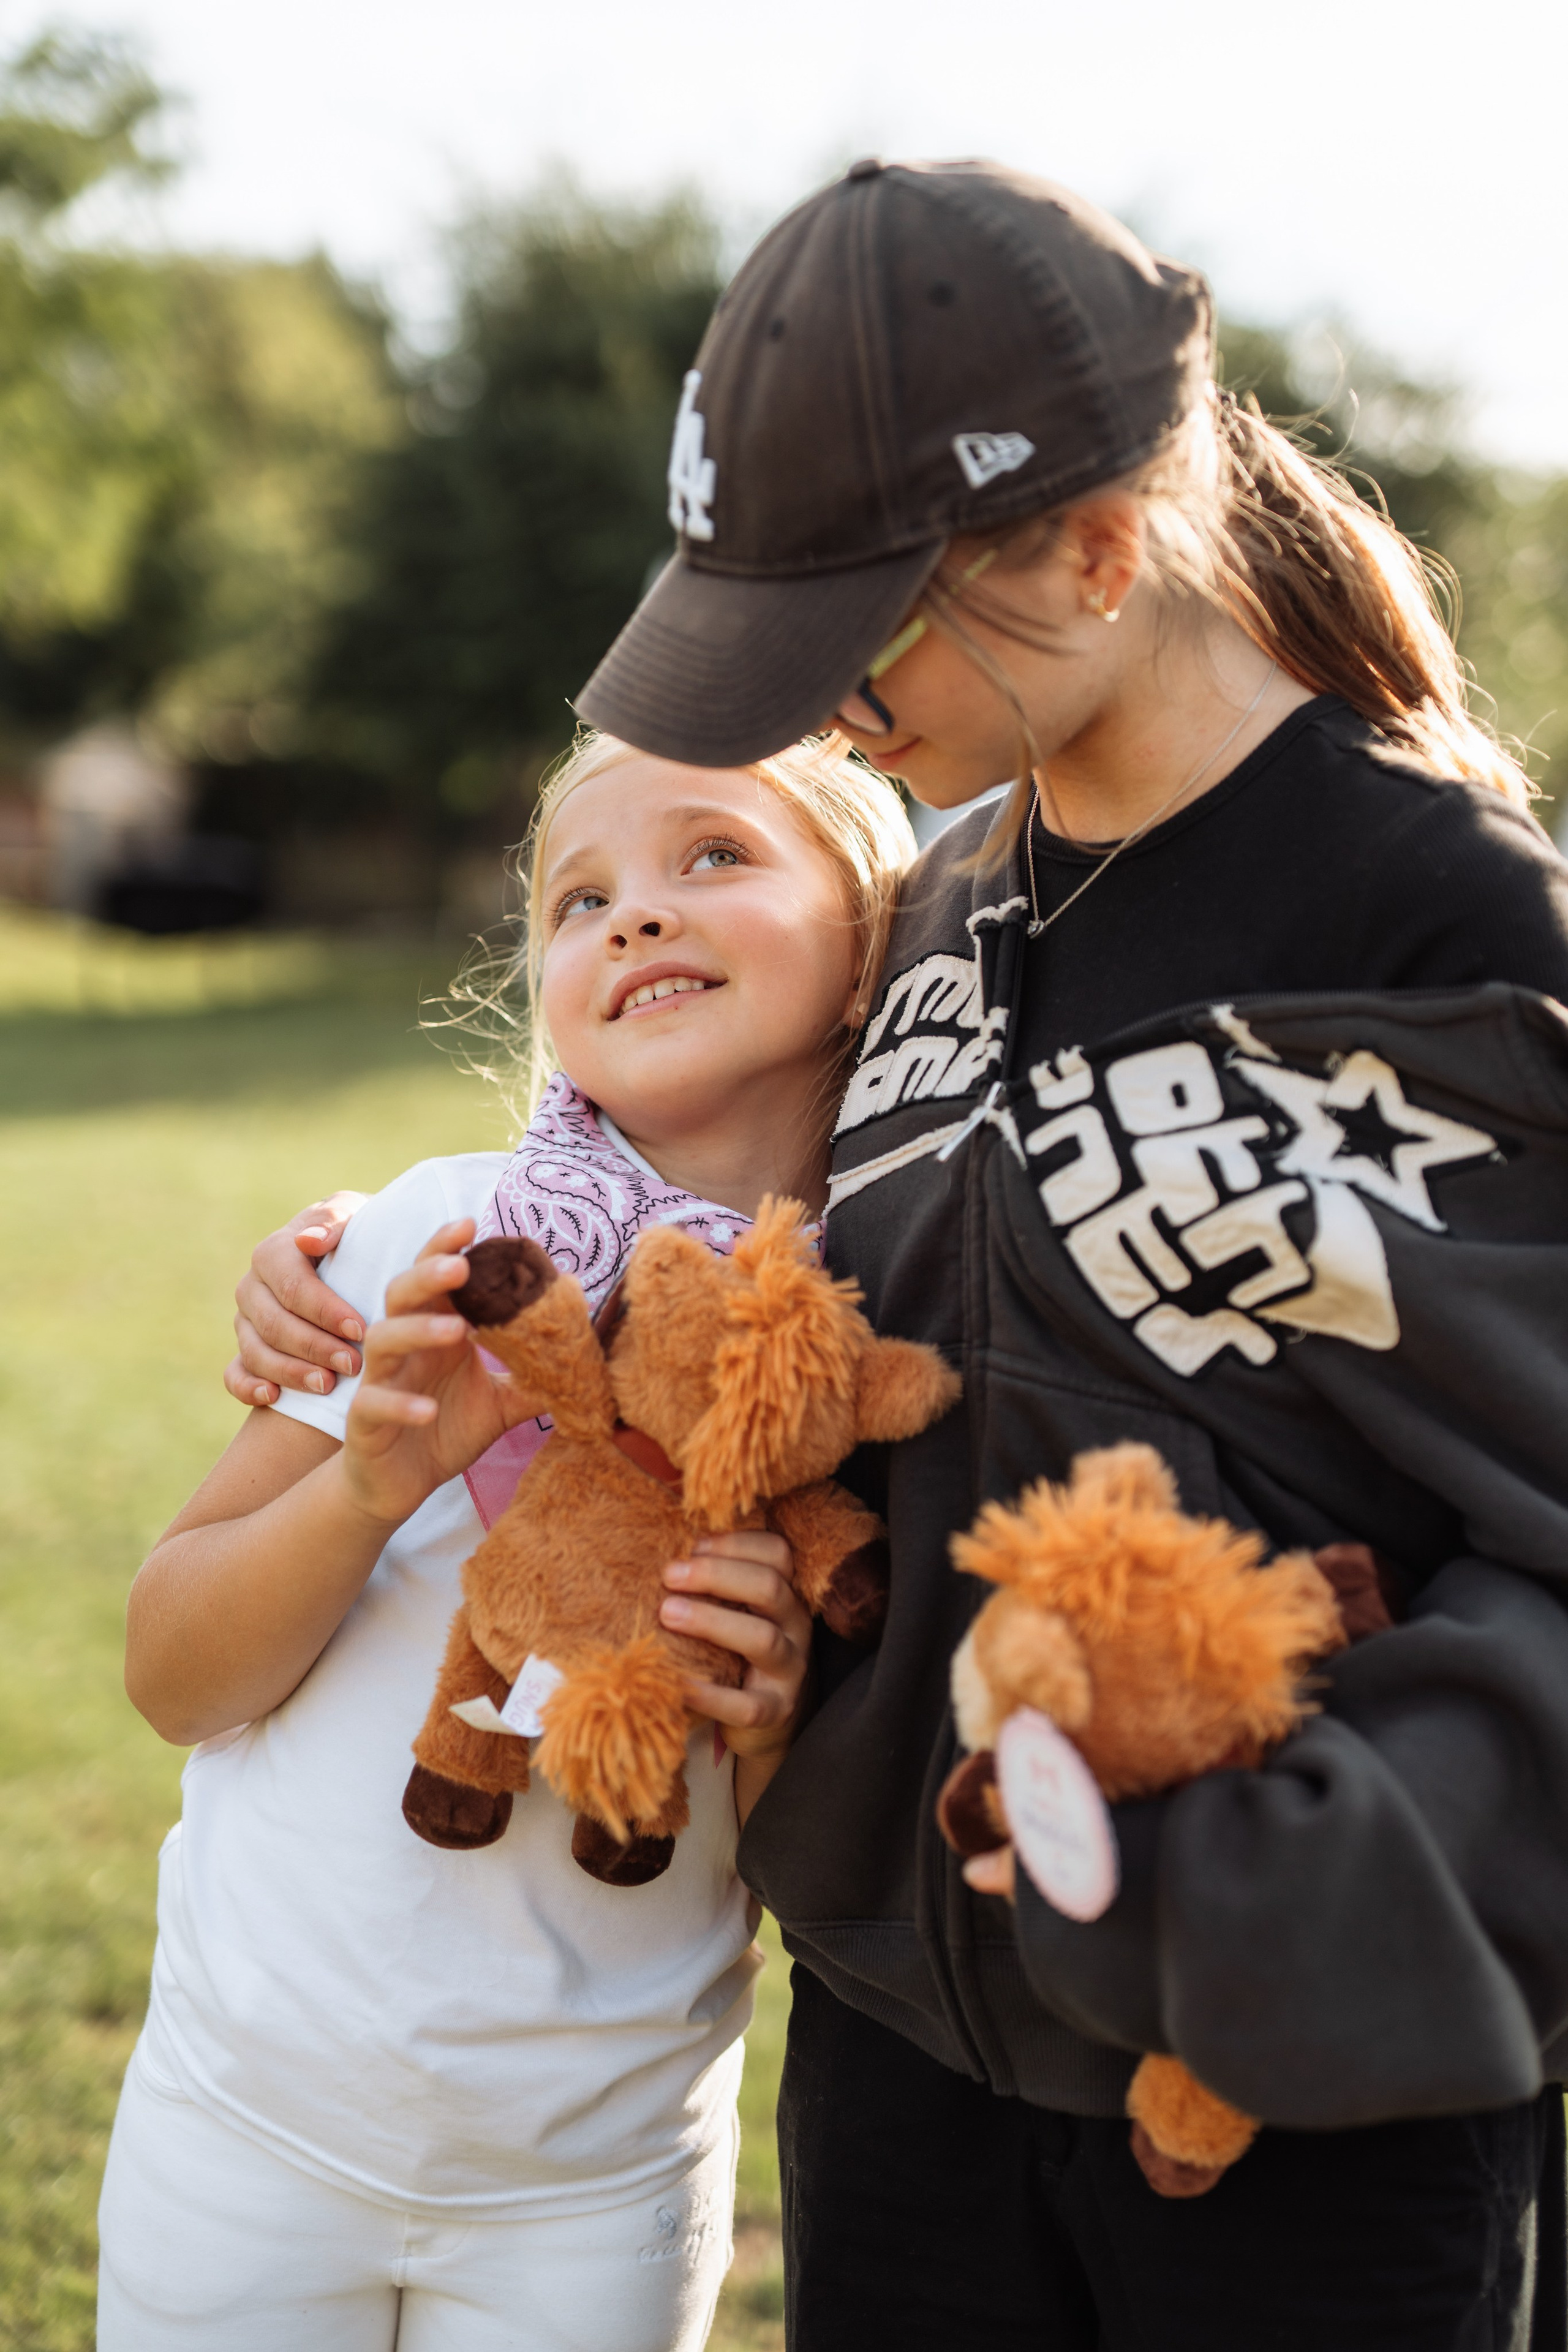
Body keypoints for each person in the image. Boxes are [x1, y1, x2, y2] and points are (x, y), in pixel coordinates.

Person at [231, 164, 1568, 2350]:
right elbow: (705, 1223)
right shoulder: (939, 907)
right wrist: (359, 1257)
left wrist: (1304, 1872)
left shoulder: (1446, 932)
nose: (825, 706)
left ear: (1099, 553)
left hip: (1285, 2098)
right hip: (899, 2063)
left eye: (856, 635)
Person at [104, 729, 916, 2351]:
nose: (633, 917)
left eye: (715, 858)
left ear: (871, 946)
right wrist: (365, 1489)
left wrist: (768, 1719)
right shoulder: (433, 1249)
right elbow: (172, 1676)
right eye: (581, 895)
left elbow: (809, 1873)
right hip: (245, 2121)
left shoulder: (877, 1365)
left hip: (592, 2186)